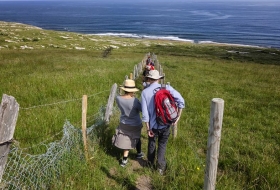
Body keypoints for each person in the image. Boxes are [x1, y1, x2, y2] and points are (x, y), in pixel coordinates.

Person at [141, 70, 185, 175]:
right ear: (159, 79)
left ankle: (150, 164)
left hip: (153, 125)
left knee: (152, 143)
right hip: (165, 123)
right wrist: (178, 116)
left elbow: (145, 114)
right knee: (162, 144)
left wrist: (148, 128)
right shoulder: (167, 88)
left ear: (149, 79)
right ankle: (160, 168)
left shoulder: (144, 93)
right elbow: (181, 101)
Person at [112, 79, 144, 167]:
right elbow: (141, 110)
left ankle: (124, 160)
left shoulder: (118, 98)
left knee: (126, 139)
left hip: (124, 123)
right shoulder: (135, 101)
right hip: (135, 124)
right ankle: (139, 153)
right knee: (137, 138)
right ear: (132, 91)